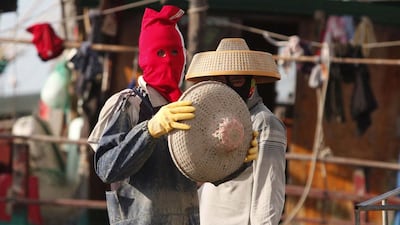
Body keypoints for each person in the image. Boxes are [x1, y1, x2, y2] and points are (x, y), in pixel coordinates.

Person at [87, 7, 257, 225]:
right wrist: (149, 131)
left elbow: (203, 171)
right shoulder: (128, 103)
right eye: (160, 53)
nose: (168, 60)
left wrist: (236, 157)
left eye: (175, 53)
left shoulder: (190, 106)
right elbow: (106, 169)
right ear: (145, 57)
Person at [185, 38, 287, 225]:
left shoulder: (264, 123)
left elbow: (269, 189)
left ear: (251, 83)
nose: (228, 89)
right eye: (220, 82)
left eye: (237, 81)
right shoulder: (212, 123)